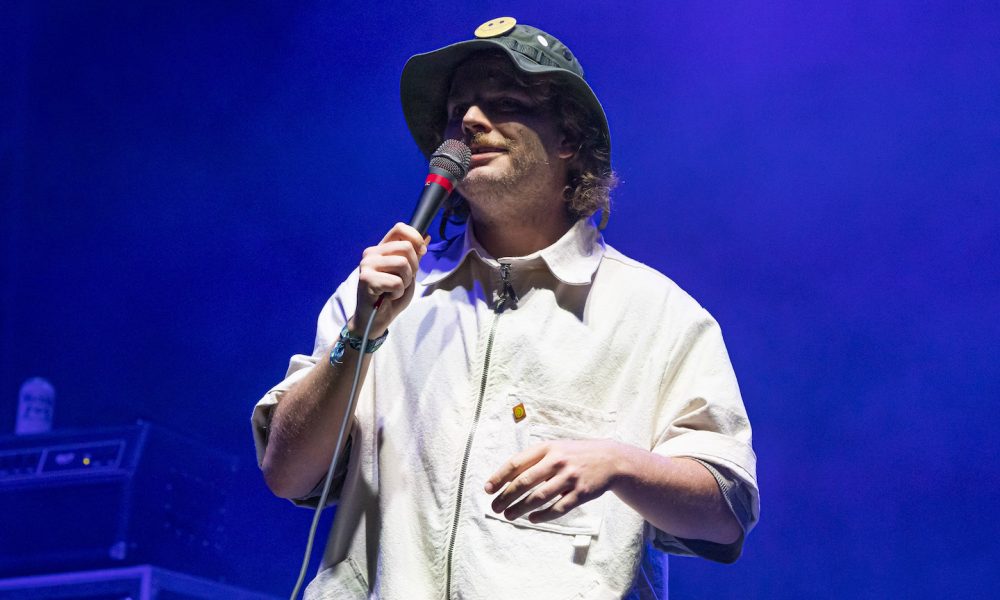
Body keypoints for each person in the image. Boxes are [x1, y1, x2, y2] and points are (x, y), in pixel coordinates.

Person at [252, 17, 759, 599]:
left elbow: (726, 514)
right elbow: (286, 472)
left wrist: (619, 463)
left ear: (568, 139)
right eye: (458, 110)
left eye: (505, 102)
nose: (468, 121)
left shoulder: (657, 314)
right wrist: (360, 334)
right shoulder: (382, 287)